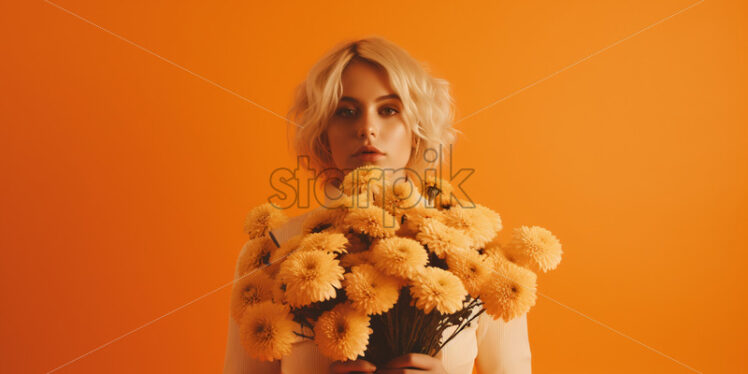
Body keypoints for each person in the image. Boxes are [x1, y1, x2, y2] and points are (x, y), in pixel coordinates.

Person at [222, 36, 532, 374]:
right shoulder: (273, 252)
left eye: (389, 110)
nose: (367, 129)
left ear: (417, 129)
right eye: (346, 111)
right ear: (323, 131)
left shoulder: (481, 256)